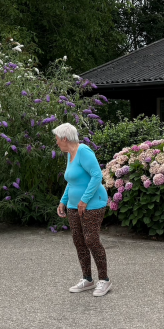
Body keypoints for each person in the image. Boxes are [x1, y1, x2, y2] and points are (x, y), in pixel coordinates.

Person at [53, 122, 111, 297]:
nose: (56, 142)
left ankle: (104, 280)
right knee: (79, 241)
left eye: (57, 139)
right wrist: (63, 201)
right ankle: (87, 279)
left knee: (91, 240)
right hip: (73, 205)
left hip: (93, 204)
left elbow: (97, 176)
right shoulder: (69, 154)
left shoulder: (83, 151)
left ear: (64, 138)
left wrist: (84, 200)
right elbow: (72, 181)